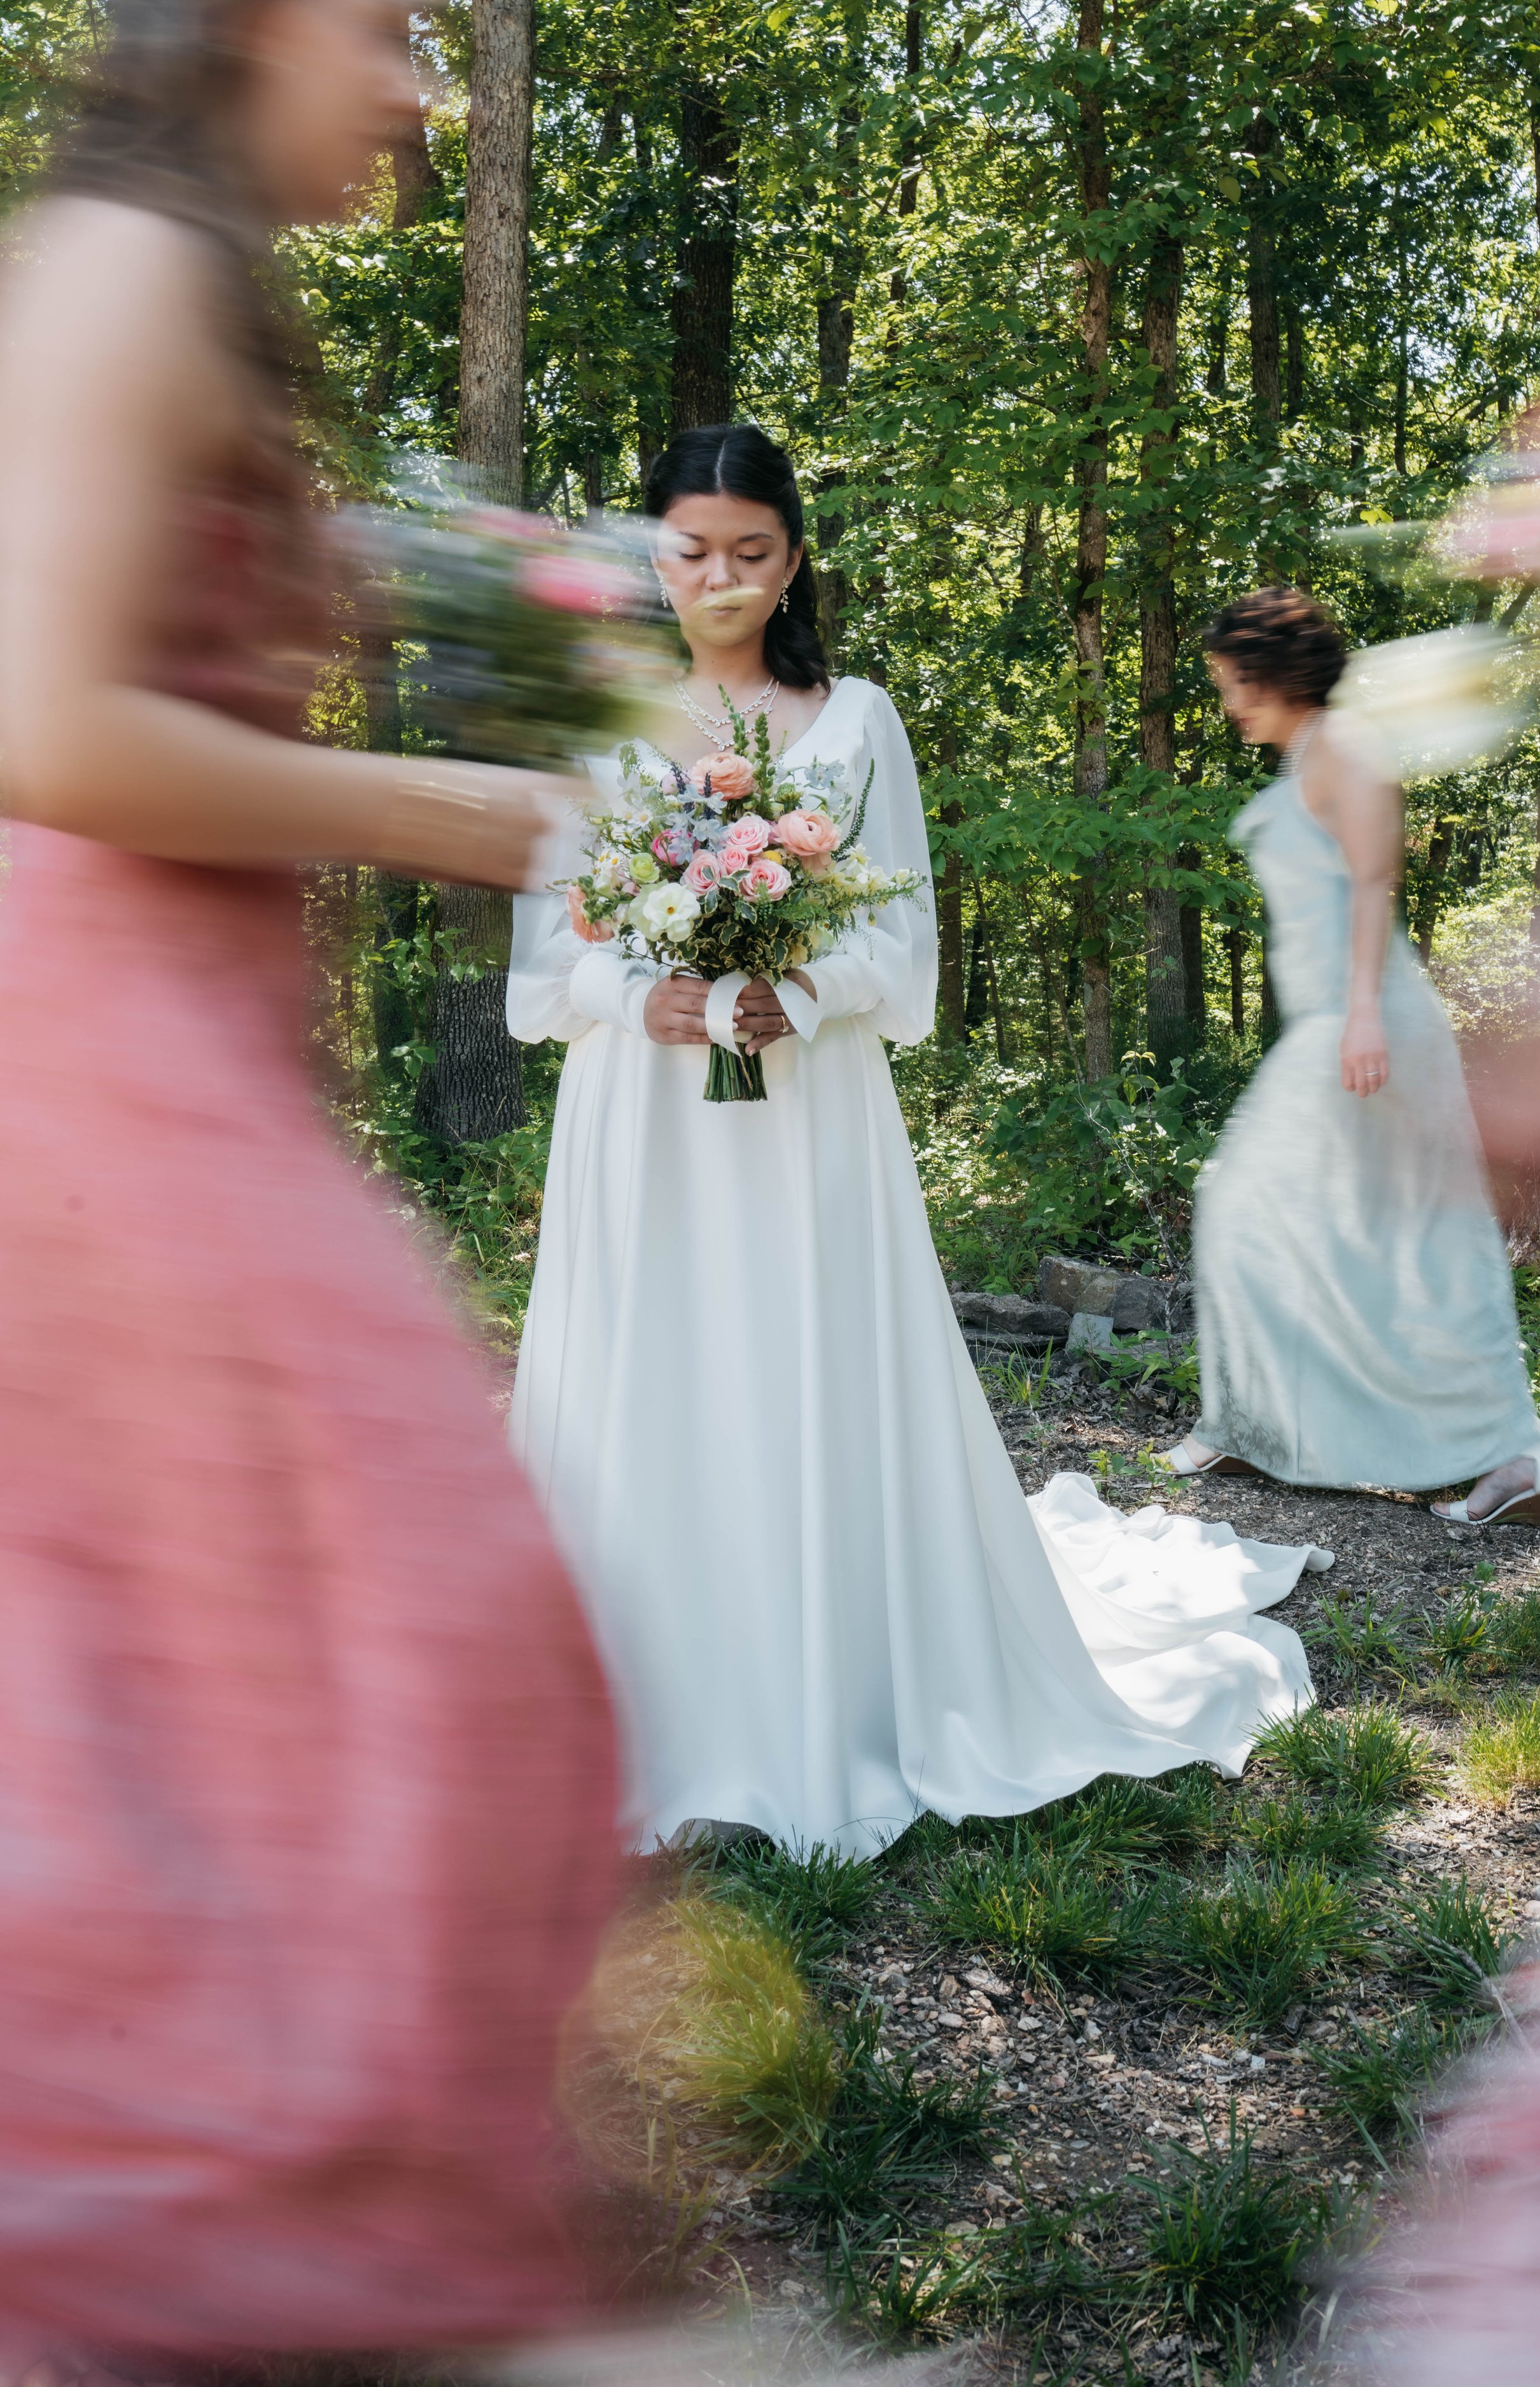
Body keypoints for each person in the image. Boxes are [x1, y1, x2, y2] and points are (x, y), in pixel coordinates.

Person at [0, 0, 620, 2360]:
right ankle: (239, 2213)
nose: (415, 92)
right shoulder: (114, 261)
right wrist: (449, 809)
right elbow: (40, 723)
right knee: (437, 1624)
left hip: (189, 1055)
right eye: (386, 31)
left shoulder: (183, 274)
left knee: (256, 1676)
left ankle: (246, 2223)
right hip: (88, 1068)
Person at [506, 423, 1329, 1864]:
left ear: (793, 559)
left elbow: (903, 948)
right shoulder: (595, 724)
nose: (718, 580)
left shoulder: (854, 719)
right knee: (661, 1364)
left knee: (795, 1360)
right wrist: (648, 994)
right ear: (651, 551)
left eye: (750, 554)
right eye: (690, 550)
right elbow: (537, 970)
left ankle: (830, 1683)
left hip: (802, 1107)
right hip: (640, 1114)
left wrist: (795, 988)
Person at [1162, 586, 1540, 1526]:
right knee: (1309, 1219)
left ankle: (1514, 1456)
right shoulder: (1310, 752)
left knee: (1400, 1229)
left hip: (1369, 1025)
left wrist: (1362, 1017)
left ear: (1274, 676)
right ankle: (1259, 1425)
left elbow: (1377, 881)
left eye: (1232, 684)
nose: (1228, 704)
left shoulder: (1346, 747)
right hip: (1336, 1024)